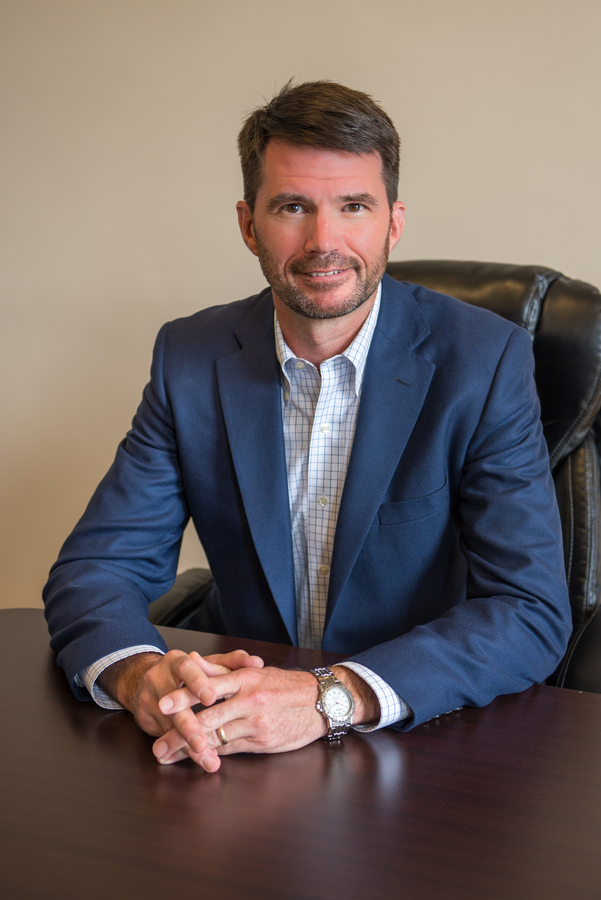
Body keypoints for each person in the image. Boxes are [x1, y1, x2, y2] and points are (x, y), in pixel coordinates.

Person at [44, 80, 572, 773]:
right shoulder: (191, 356)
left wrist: (330, 696)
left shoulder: (482, 360)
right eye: (292, 207)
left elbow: (528, 609)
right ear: (248, 224)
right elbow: (99, 566)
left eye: (353, 206)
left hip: (411, 736)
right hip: (230, 727)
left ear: (393, 222)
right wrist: (141, 675)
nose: (324, 242)